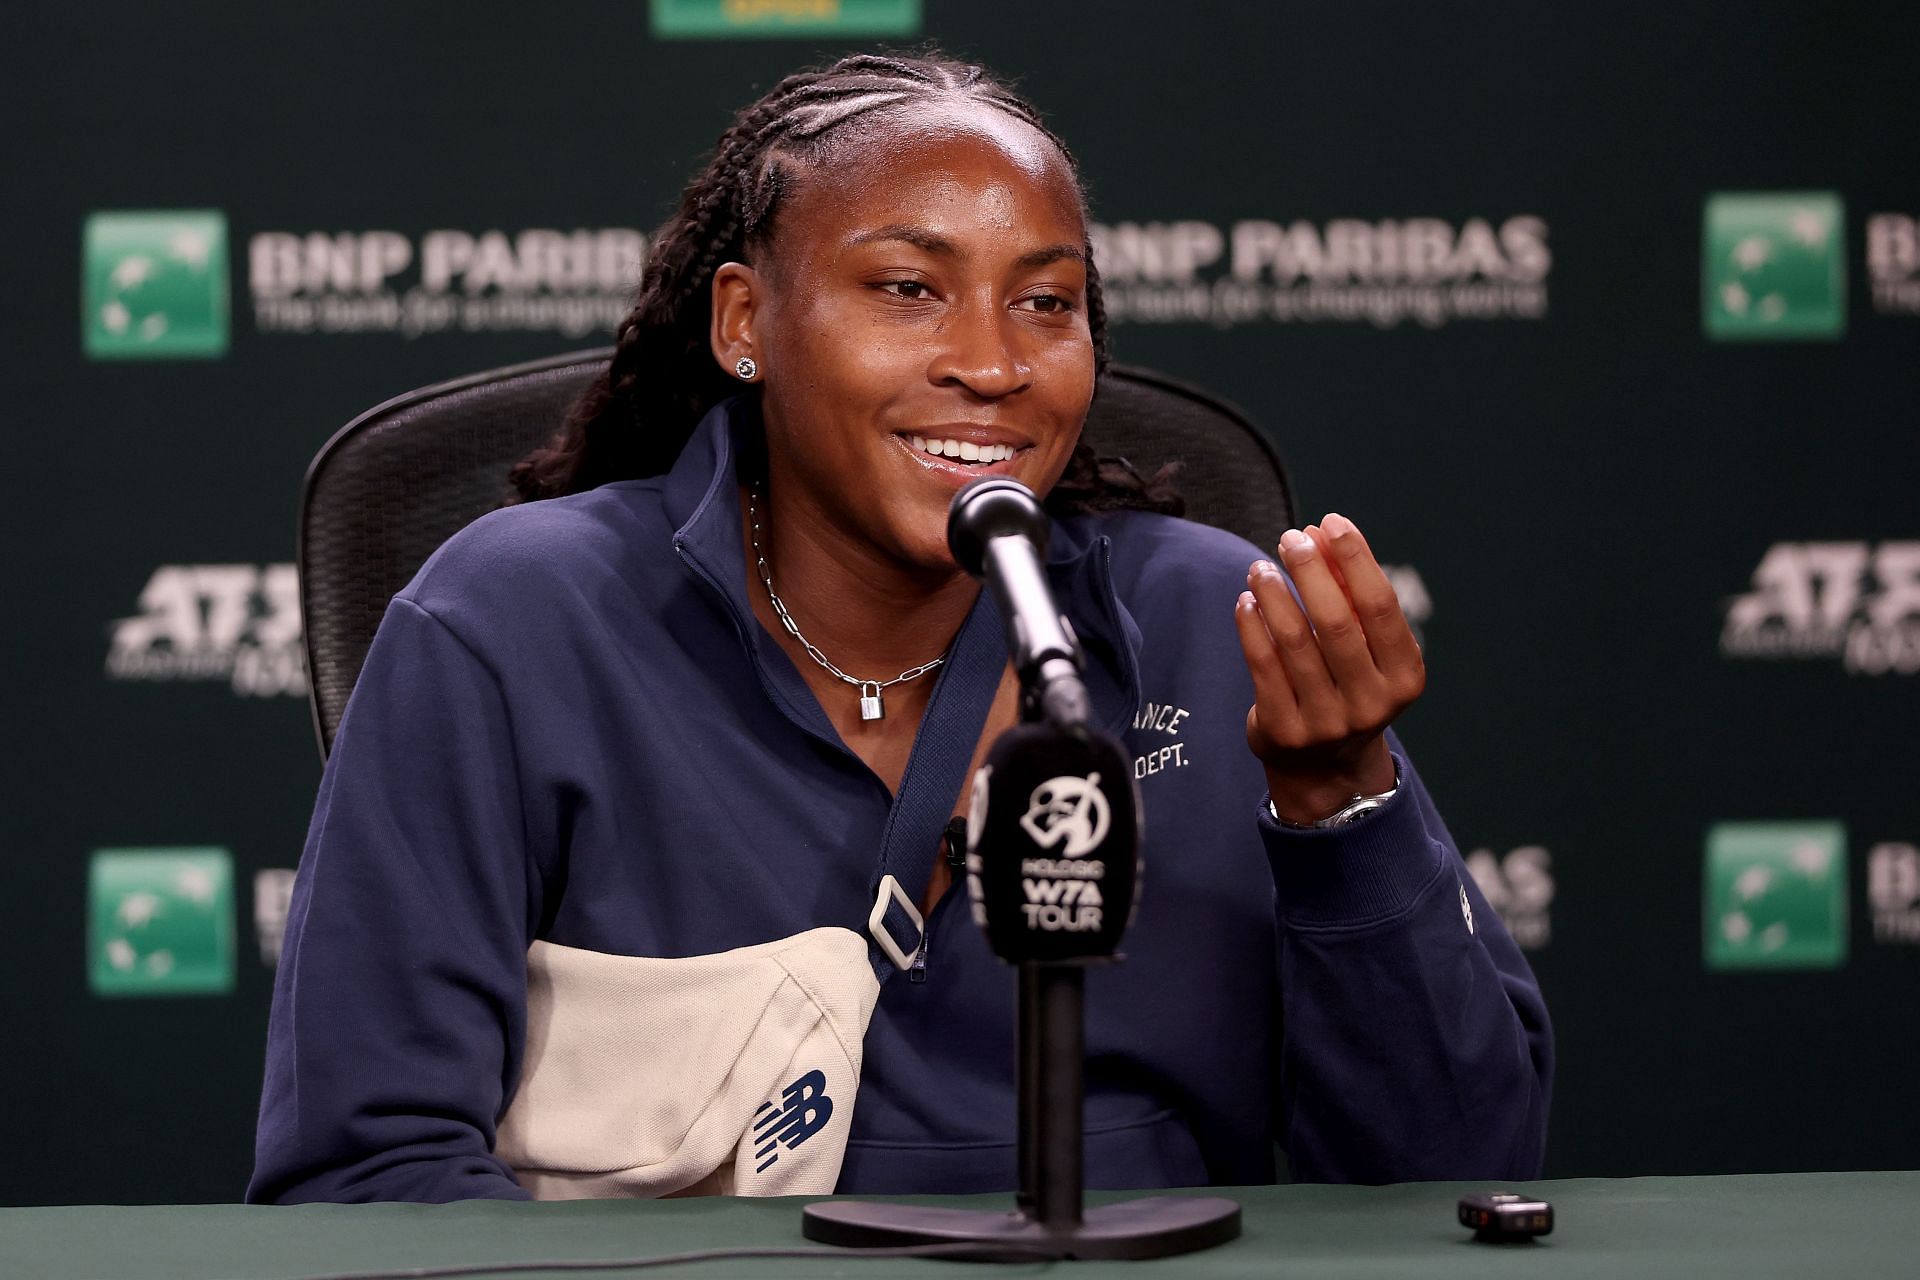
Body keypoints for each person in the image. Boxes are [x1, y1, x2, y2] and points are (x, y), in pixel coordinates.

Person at [248, 52, 1551, 1205]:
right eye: (909, 289)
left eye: (1047, 302)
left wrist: (1339, 811)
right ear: (747, 324)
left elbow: (1453, 1176)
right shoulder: (516, 621)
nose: (992, 362)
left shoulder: (1211, 625)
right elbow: (371, 1169)